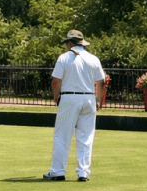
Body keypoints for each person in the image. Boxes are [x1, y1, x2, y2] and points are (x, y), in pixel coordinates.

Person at [44, 30, 106, 182]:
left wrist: (56, 97)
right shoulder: (93, 59)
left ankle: (58, 171)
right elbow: (101, 81)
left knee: (62, 135)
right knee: (86, 137)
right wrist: (97, 100)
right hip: (89, 98)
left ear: (70, 44)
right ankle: (83, 172)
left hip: (69, 98)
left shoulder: (64, 58)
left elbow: (56, 81)